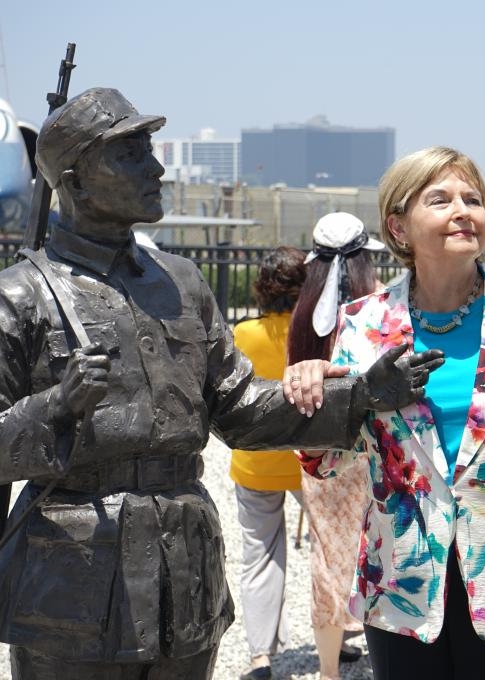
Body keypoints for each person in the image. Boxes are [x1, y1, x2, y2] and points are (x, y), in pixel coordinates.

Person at [0, 87, 443, 680]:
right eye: (129, 154)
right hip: (72, 582)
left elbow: (242, 409)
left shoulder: (180, 282)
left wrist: (360, 393)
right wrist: (54, 405)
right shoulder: (16, 296)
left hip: (185, 576)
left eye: (150, 149)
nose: (155, 168)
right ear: (73, 183)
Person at [292, 146, 485, 680]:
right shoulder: (362, 324)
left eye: (474, 199)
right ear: (399, 229)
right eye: (440, 199)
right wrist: (313, 397)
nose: (463, 211)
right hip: (400, 576)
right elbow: (326, 462)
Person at [288, 211, 384, 680]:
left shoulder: (305, 311)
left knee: (327, 556)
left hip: (321, 449)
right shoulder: (380, 305)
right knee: (384, 548)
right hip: (377, 448)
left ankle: (328, 671)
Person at [229, 246, 308, 680]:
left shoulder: (243, 333)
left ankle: (260, 656)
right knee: (334, 550)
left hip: (255, 458)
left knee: (258, 555)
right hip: (307, 459)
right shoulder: (315, 334)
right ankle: (339, 630)